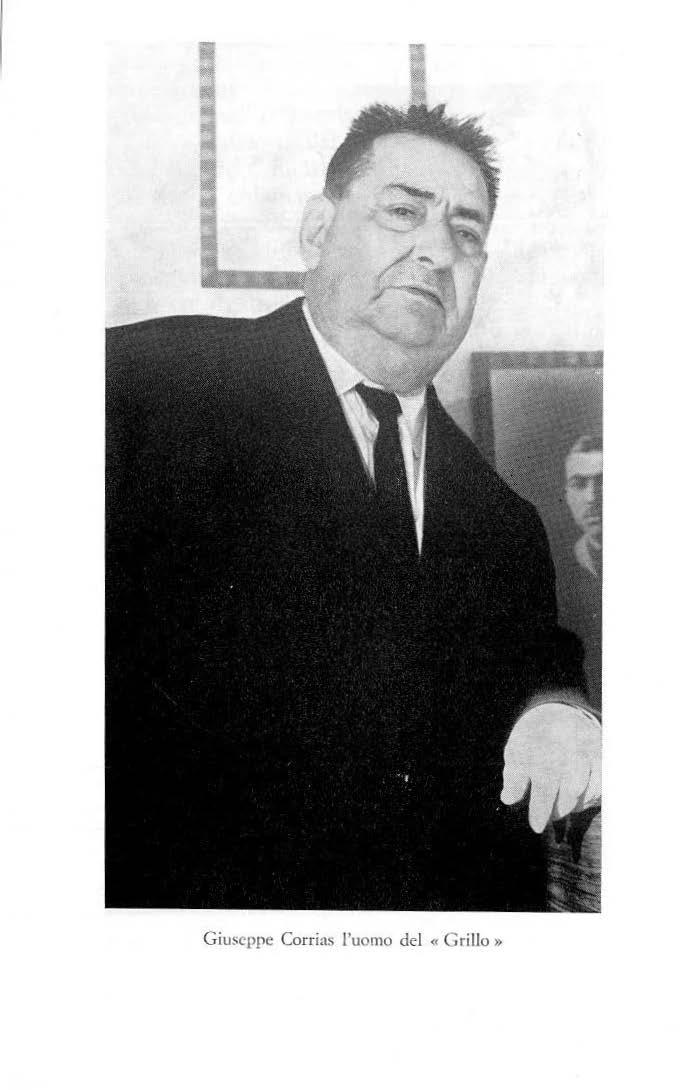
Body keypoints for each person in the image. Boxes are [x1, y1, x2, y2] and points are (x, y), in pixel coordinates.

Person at [106, 103, 601, 911]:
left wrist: (559, 707)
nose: (437, 250)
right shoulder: (135, 387)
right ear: (316, 231)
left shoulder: (504, 520)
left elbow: (538, 661)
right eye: (402, 211)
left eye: (466, 232)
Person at [557, 434, 603, 707]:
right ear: (566, 495)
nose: (592, 498)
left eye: (603, 482)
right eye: (579, 484)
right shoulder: (559, 571)